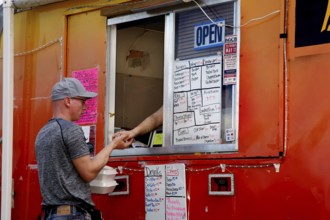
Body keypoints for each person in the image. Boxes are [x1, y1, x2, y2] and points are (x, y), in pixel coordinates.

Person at [35, 78, 133, 220]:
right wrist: (113, 145)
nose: (85, 107)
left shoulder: (42, 133)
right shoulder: (71, 130)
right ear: (68, 101)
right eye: (82, 101)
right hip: (71, 214)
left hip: (49, 214)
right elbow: (88, 172)